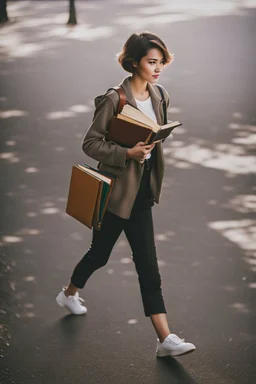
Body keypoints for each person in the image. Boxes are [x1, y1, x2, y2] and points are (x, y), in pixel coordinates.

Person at [56, 32, 196, 357]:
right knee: (99, 255)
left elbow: (153, 136)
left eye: (161, 62)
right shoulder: (114, 99)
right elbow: (90, 143)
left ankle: (165, 339)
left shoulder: (160, 95)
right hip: (114, 195)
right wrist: (126, 153)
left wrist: (153, 140)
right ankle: (68, 293)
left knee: (148, 266)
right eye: (152, 62)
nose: (158, 68)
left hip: (142, 194)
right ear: (135, 62)